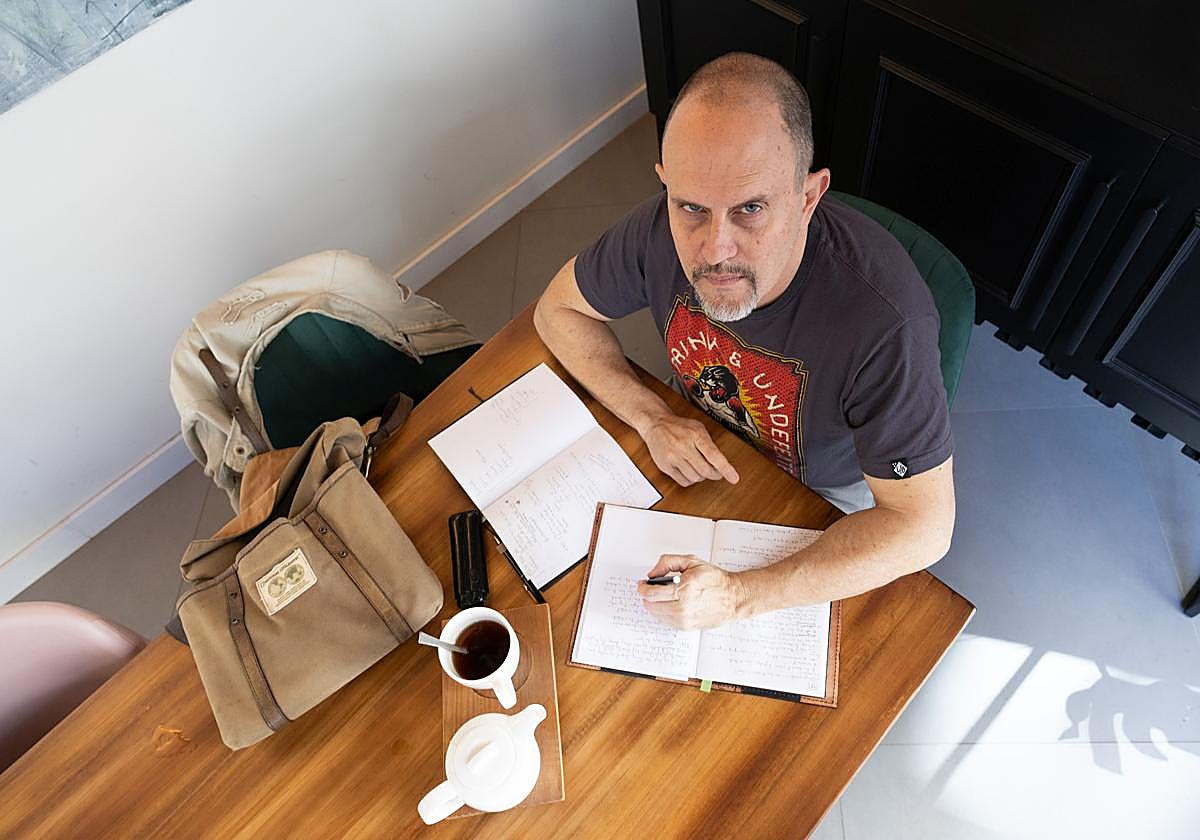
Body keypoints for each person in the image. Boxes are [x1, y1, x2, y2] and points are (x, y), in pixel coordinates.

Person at [533, 52, 955, 630]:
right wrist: (651, 417)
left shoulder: (886, 325)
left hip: (821, 491)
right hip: (698, 440)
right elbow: (557, 310)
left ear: (809, 196)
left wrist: (740, 598)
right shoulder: (658, 226)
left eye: (751, 209)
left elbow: (922, 527)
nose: (714, 249)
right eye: (692, 208)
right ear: (667, 185)